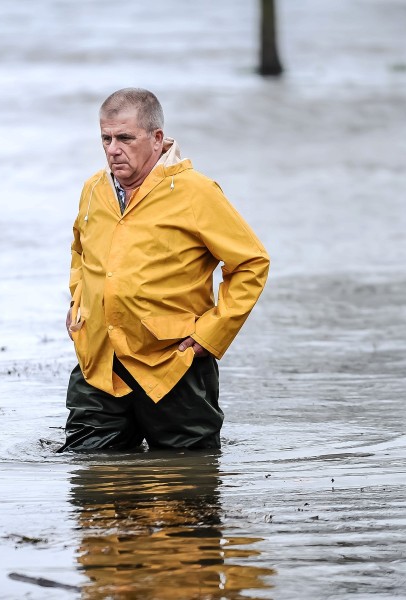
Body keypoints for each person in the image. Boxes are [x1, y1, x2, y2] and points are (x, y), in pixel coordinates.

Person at [59, 88, 269, 452]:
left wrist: (211, 334)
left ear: (157, 139)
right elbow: (80, 250)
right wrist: (79, 302)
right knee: (91, 481)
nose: (112, 148)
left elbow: (250, 263)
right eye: (106, 138)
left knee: (188, 484)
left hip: (174, 364)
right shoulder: (94, 188)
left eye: (125, 138)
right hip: (99, 362)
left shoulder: (195, 191)